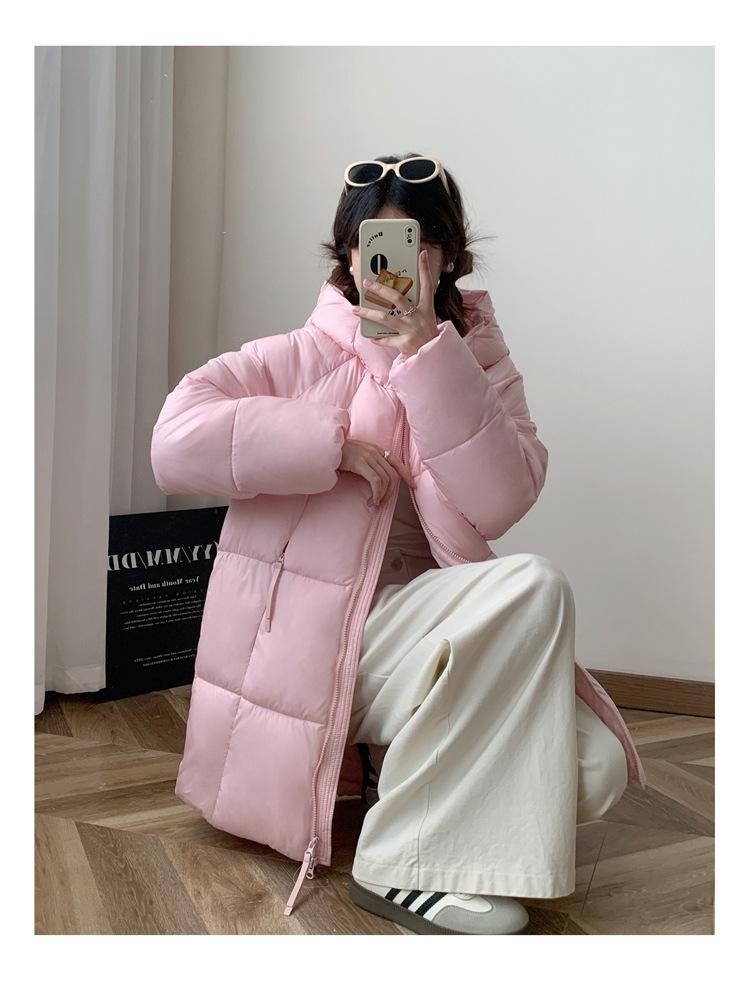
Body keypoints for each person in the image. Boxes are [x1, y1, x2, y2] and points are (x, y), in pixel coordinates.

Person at [151, 153, 644, 936]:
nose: (390, 264)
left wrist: (430, 360)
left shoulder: (481, 365)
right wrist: (328, 442)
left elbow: (503, 502)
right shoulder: (295, 358)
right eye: (370, 245)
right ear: (348, 259)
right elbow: (173, 444)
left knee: (593, 769)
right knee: (535, 586)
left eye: (414, 244)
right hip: (320, 647)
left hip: (425, 633)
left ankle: (405, 779)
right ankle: (398, 863)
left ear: (445, 256)